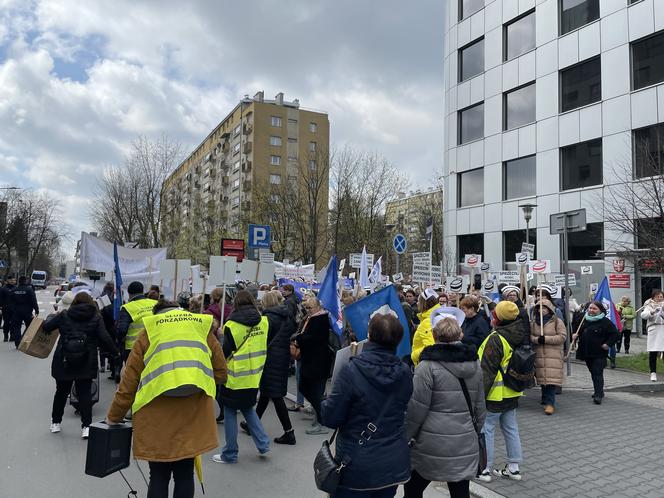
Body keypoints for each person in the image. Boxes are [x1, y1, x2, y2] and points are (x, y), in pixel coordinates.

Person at [106, 298, 227, 498]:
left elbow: (128, 385)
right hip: (192, 415)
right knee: (185, 474)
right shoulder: (202, 327)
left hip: (155, 415)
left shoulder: (149, 332)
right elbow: (221, 373)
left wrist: (113, 417)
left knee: (159, 475)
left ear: (157, 315)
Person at [321, 314, 412, 498]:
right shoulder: (405, 372)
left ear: (369, 336)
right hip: (391, 462)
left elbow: (331, 417)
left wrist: (324, 401)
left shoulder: (352, 369)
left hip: (356, 463)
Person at [404, 316, 485, 498]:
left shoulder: (426, 366)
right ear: (460, 335)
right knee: (460, 491)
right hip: (464, 440)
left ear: (433, 335)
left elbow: (416, 409)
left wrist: (406, 435)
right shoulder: (475, 365)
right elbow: (480, 406)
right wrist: (475, 431)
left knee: (413, 489)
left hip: (431, 442)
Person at [43, 291, 119, 438]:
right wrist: (115, 352)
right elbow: (104, 338)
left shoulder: (64, 315)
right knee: (84, 394)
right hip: (86, 360)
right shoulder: (96, 317)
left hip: (64, 359)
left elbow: (47, 328)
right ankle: (86, 427)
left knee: (61, 392)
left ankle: (56, 423)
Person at [213, 290, 271, 463]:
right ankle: (263, 444)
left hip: (235, 376)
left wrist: (222, 336)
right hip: (254, 375)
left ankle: (230, 453)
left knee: (230, 411)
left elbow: (226, 352)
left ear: (236, 304)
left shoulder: (231, 325)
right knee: (247, 408)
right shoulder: (264, 322)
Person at [477, 300, 525, 482]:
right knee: (511, 429)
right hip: (513, 391)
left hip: (494, 394)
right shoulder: (520, 332)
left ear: (498, 317)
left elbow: (486, 371)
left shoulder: (495, 338)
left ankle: (485, 469)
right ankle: (514, 468)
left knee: (486, 430)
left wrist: (479, 397)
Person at [242, 290, 297, 444]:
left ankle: (289, 431)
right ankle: (252, 424)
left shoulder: (267, 319)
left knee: (276, 395)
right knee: (267, 392)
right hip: (282, 357)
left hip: (270, 358)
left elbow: (262, 339)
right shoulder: (287, 316)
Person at [291, 297, 333, 435]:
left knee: (313, 391)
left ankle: (322, 420)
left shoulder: (320, 320)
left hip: (317, 362)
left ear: (318, 307)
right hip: (312, 360)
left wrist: (298, 338)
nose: (308, 310)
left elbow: (313, 339)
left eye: (310, 308)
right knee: (309, 389)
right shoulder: (315, 318)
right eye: (306, 308)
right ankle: (320, 417)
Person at [573, 301, 619, 403]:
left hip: (599, 352)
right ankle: (599, 391)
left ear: (600, 310)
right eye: (590, 308)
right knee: (593, 372)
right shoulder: (584, 320)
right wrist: (575, 336)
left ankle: (598, 395)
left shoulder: (605, 322)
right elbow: (579, 331)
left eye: (594, 309)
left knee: (597, 372)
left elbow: (615, 334)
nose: (591, 310)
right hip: (587, 351)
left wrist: (608, 344)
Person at [530, 299, 566, 415]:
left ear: (550, 309)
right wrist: (537, 340)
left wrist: (545, 339)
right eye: (539, 308)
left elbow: (562, 337)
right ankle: (545, 398)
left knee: (550, 380)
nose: (542, 310)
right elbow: (530, 336)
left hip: (553, 355)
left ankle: (550, 403)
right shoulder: (534, 322)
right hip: (539, 355)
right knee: (542, 378)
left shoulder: (557, 321)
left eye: (544, 308)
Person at [117, 281, 158, 360]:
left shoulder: (127, 308)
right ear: (142, 291)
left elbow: (122, 330)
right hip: (154, 344)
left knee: (133, 371)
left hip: (133, 347)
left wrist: (119, 345)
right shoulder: (156, 303)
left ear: (129, 293)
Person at [410, 288, 441, 366]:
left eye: (419, 301)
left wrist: (414, 355)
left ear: (424, 304)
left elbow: (430, 347)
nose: (417, 303)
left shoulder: (427, 321)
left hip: (424, 364)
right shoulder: (434, 317)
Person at [640, 290, 664, 382]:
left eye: (661, 296)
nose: (659, 298)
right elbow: (643, 315)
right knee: (653, 352)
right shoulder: (649, 305)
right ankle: (653, 373)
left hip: (663, 329)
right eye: (658, 296)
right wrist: (653, 312)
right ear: (653, 297)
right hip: (654, 330)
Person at [9, 275, 39, 348]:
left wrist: (13, 309)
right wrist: (36, 310)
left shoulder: (14, 290)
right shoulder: (29, 290)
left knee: (17, 327)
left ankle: (17, 343)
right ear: (25, 281)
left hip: (16, 311)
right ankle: (23, 338)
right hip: (27, 311)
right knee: (29, 326)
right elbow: (33, 301)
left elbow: (10, 302)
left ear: (19, 281)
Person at [0, 275, 16, 342]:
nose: (13, 281)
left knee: (13, 322)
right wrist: (0, 307)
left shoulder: (16, 288)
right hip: (6, 308)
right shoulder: (3, 289)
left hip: (14, 309)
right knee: (6, 322)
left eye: (14, 280)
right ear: (8, 281)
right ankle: (6, 335)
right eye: (11, 280)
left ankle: (12, 336)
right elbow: (0, 299)